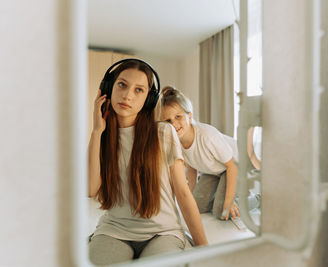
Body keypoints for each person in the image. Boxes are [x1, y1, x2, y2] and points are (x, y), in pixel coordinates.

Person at [88, 59, 208, 266]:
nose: (127, 95)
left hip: (163, 233)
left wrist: (205, 250)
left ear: (149, 99)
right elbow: (90, 190)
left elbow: (183, 192)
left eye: (139, 90)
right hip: (113, 230)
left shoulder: (164, 132)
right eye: (122, 85)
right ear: (109, 88)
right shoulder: (102, 137)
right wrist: (97, 131)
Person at [159, 86, 260, 221]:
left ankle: (258, 199)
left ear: (189, 116)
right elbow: (191, 168)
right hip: (213, 171)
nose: (174, 124)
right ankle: (221, 195)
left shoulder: (207, 135)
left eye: (178, 117)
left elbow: (232, 166)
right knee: (197, 207)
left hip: (234, 166)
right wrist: (191, 196)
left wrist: (228, 201)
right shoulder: (176, 141)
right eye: (168, 121)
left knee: (222, 211)